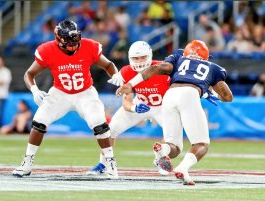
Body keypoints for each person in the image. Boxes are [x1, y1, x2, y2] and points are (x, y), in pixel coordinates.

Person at [114, 40, 233, 185]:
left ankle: (162, 149)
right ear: (206, 56)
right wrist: (210, 91)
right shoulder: (213, 67)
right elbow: (227, 97)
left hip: (169, 96)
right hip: (190, 94)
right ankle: (183, 168)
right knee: (201, 143)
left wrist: (130, 84)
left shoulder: (178, 58)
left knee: (174, 147)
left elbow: (155, 68)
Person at [12, 19, 119, 179]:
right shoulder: (47, 50)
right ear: (59, 40)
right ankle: (27, 163)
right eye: (69, 43)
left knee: (98, 122)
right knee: (39, 121)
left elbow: (108, 64)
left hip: (85, 93)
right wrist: (34, 89)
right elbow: (29, 73)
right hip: (60, 93)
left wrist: (116, 74)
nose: (73, 46)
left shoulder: (89, 46)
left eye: (75, 42)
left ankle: (110, 162)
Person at [87, 41, 171, 175]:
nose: (139, 61)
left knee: (171, 137)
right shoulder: (126, 71)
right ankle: (103, 163)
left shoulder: (163, 68)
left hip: (163, 107)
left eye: (143, 57)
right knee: (111, 129)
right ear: (129, 58)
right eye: (135, 58)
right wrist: (134, 108)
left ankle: (160, 158)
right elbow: (127, 102)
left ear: (149, 55)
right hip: (140, 103)